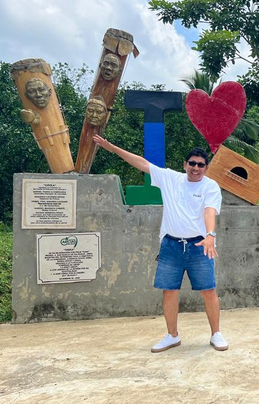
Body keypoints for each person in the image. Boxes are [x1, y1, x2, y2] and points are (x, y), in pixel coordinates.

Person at [92, 134, 228, 353]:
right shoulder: (170, 178)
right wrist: (112, 147)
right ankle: (172, 335)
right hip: (171, 245)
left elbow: (209, 211)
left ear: (206, 167)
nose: (196, 168)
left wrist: (210, 234)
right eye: (192, 163)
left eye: (201, 165)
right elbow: (142, 163)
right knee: (168, 291)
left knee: (208, 290)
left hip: (199, 246)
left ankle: (216, 333)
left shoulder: (211, 186)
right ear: (185, 165)